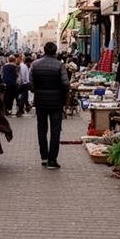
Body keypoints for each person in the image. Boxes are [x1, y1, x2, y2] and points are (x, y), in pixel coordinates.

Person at [31, 41, 70, 169]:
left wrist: (37, 90)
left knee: (41, 129)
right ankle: (52, 161)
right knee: (55, 130)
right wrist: (63, 96)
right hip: (56, 103)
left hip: (40, 102)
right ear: (55, 51)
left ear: (44, 50)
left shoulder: (35, 64)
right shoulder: (60, 65)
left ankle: (44, 157)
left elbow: (31, 83)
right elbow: (65, 84)